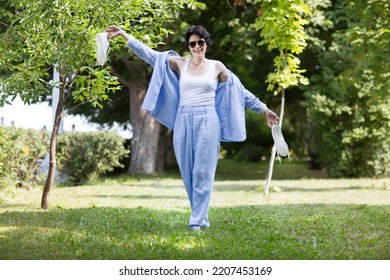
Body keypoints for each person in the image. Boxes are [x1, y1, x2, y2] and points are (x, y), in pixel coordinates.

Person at [106, 25, 279, 231]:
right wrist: (125, 35)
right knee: (188, 171)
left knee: (202, 172)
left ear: (207, 44)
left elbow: (240, 92)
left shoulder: (217, 67)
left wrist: (264, 109)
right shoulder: (180, 63)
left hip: (207, 119)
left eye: (200, 43)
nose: (197, 47)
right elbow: (151, 56)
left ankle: (195, 221)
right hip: (183, 119)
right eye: (192, 43)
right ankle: (202, 217)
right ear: (188, 46)